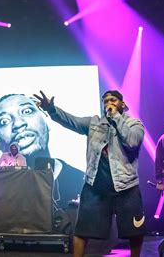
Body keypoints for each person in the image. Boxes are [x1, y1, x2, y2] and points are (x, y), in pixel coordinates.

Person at [34, 90, 146, 257]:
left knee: (134, 231)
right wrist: (52, 109)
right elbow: (71, 121)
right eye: (106, 100)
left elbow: (132, 141)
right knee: (82, 230)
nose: (109, 103)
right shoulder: (94, 123)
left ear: (122, 104)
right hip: (96, 186)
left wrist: (116, 117)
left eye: (113, 100)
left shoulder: (134, 124)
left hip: (126, 186)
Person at [0, 93, 84, 207]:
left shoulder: (81, 182)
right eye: (4, 121)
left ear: (45, 120)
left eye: (27, 111)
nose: (18, 124)